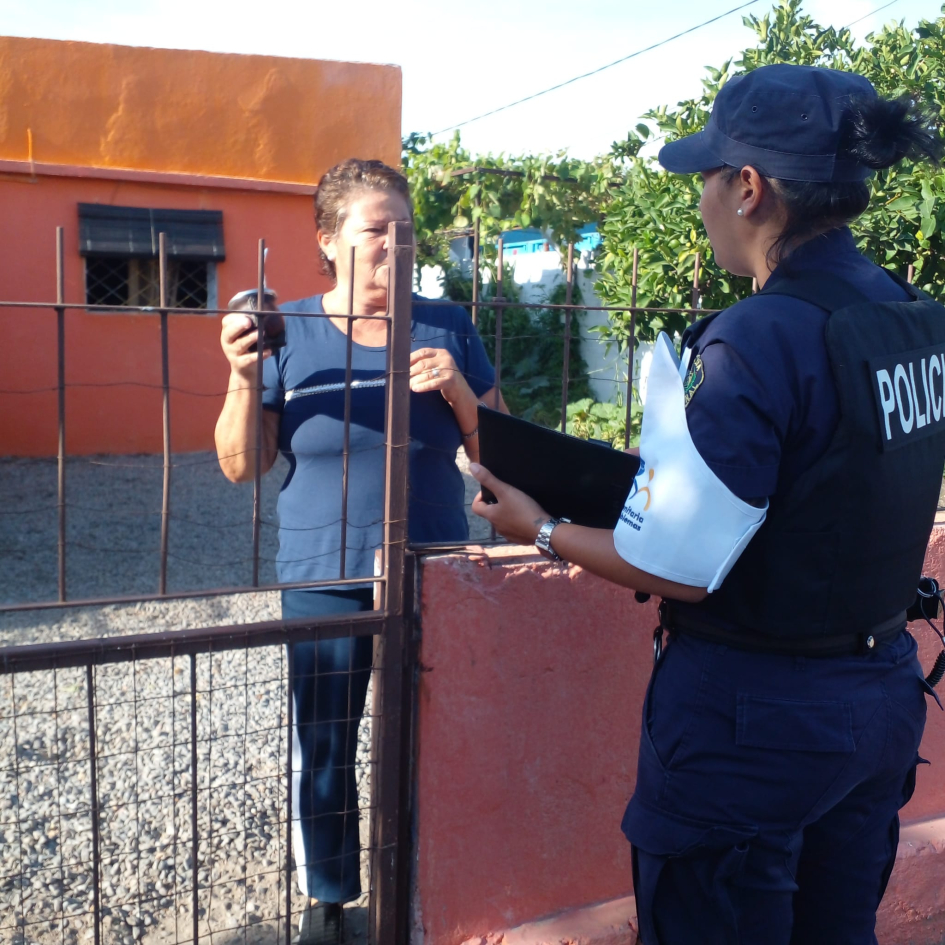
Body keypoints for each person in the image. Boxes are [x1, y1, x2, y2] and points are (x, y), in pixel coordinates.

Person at [471, 64, 945, 944]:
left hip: (753, 726)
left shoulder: (758, 338)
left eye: (706, 178)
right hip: (877, 696)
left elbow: (677, 569)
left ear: (749, 188)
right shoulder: (913, 315)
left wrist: (539, 526)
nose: (700, 201)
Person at [214, 158, 504, 944]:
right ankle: (330, 899)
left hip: (431, 571)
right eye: (377, 229)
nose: (394, 243)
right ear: (328, 239)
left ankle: (424, 883)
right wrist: (242, 375)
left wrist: (459, 391)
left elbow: (500, 455)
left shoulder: (447, 325)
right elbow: (241, 464)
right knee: (327, 741)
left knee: (432, 737)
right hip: (325, 570)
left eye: (405, 229)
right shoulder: (286, 330)